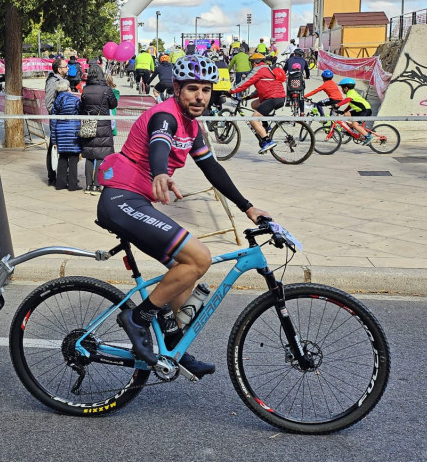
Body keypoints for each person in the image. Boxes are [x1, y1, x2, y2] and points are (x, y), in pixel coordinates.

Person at [96, 54, 269, 377]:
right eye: (192, 89)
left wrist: (248, 208)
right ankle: (137, 318)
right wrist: (160, 173)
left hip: (136, 201)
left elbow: (211, 168)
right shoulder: (167, 116)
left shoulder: (191, 126)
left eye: (206, 89)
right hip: (122, 198)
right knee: (199, 258)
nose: (200, 96)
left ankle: (174, 347)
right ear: (176, 88)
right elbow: (159, 142)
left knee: (184, 274)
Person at [230, 53, 286, 153]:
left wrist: (231, 90)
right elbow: (263, 87)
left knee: (253, 119)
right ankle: (264, 125)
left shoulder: (259, 69)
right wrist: (249, 97)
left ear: (256, 62)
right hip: (278, 97)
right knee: (254, 104)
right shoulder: (266, 69)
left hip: (272, 98)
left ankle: (267, 141)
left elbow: (246, 82)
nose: (251, 65)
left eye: (251, 62)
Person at [80, 64, 118, 194]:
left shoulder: (85, 90)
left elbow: (82, 106)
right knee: (101, 155)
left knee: (89, 156)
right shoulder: (106, 89)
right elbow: (113, 104)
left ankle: (88, 185)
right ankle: (98, 184)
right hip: (103, 126)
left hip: (89, 125)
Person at [50, 79, 82, 191]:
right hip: (73, 131)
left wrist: (54, 140)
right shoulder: (75, 99)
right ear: (68, 88)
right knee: (73, 158)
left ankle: (60, 183)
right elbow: (81, 112)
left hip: (60, 132)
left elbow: (53, 121)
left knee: (62, 158)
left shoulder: (57, 102)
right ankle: (73, 184)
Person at [44, 58, 69, 186]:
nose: (68, 68)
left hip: (64, 121)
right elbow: (49, 103)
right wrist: (57, 115)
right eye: (66, 67)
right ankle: (52, 176)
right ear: (59, 69)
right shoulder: (53, 82)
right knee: (53, 147)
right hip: (57, 121)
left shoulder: (62, 80)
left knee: (63, 147)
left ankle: (62, 175)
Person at [338, 78, 373, 144]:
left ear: (346, 88)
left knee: (355, 124)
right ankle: (350, 131)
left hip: (365, 110)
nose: (342, 90)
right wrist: (344, 111)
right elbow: (351, 104)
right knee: (346, 115)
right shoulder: (351, 92)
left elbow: (347, 100)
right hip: (360, 110)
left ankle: (368, 137)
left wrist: (337, 105)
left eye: (342, 88)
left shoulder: (350, 94)